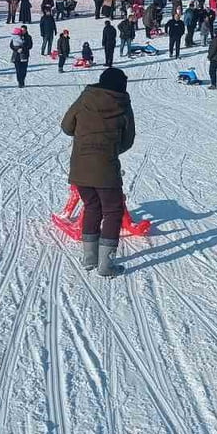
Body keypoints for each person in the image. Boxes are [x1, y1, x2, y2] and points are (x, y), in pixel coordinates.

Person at [61, 67, 136, 278]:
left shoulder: (86, 97)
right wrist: (110, 150)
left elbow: (67, 126)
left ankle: (89, 258)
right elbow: (128, 139)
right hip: (106, 167)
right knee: (113, 211)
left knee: (92, 206)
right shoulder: (122, 102)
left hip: (80, 166)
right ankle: (106, 265)